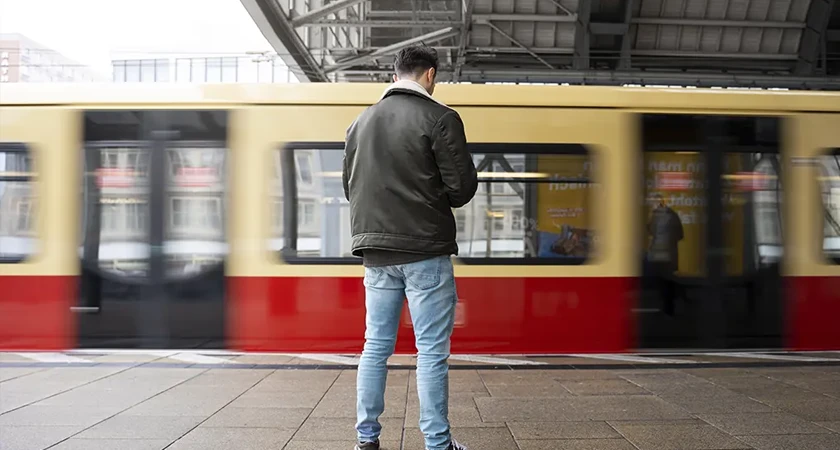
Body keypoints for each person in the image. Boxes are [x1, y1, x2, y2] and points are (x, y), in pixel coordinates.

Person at [342, 45, 478, 450]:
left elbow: (350, 186)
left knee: (375, 346)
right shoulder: (440, 117)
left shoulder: (360, 121)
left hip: (376, 253)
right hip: (425, 251)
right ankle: (437, 444)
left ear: (395, 72)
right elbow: (461, 188)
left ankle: (366, 440)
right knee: (431, 352)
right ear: (430, 75)